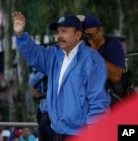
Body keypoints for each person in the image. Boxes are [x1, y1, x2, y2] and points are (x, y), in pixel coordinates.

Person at [12, 11, 110, 141]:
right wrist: (20, 35)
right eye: (58, 32)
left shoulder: (91, 59)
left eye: (64, 31)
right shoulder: (55, 55)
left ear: (78, 35)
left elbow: (98, 101)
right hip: (57, 130)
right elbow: (34, 54)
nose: (59, 36)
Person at [83, 15, 126, 105]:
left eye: (91, 35)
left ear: (101, 30)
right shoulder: (84, 48)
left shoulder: (112, 45)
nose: (89, 39)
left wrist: (95, 54)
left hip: (110, 99)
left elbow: (116, 77)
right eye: (86, 36)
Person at [28, 72, 52, 141]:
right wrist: (41, 98)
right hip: (46, 119)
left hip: (58, 121)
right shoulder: (45, 71)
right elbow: (31, 85)